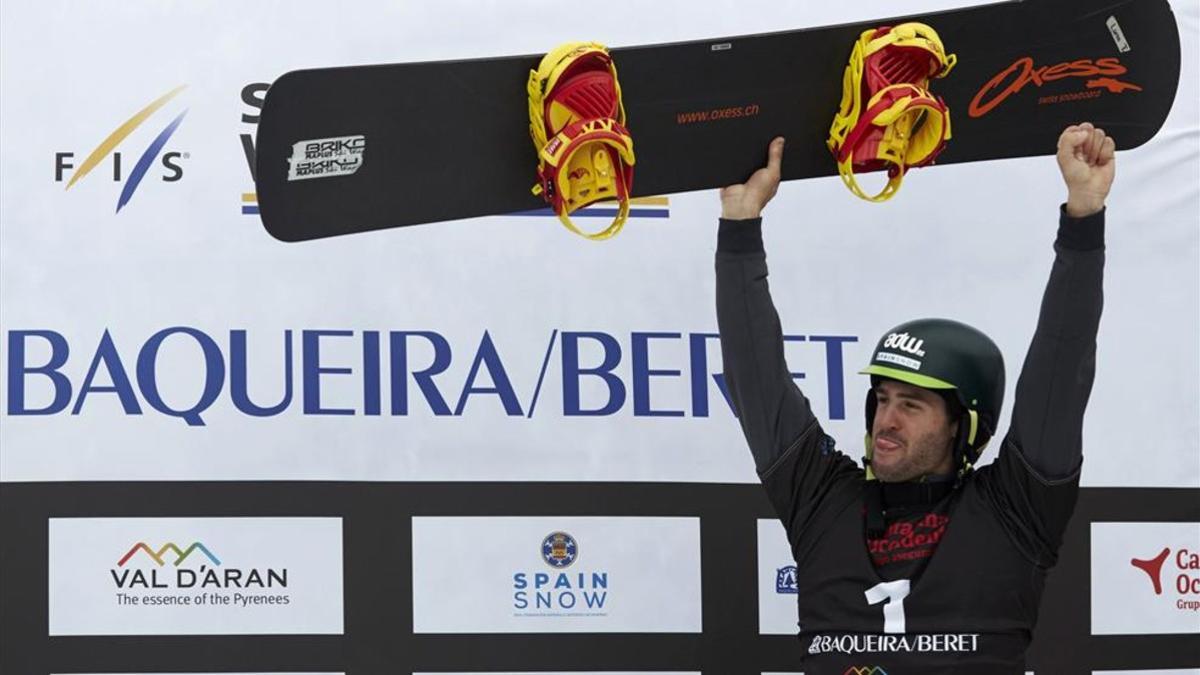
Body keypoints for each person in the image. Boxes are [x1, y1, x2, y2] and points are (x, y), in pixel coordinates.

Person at [716, 123, 1113, 674]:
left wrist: (1083, 219)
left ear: (961, 425)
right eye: (881, 398)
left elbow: (1061, 367)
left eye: (912, 404)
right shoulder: (821, 499)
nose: (887, 418)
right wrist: (740, 226)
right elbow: (755, 374)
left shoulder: (1016, 510)